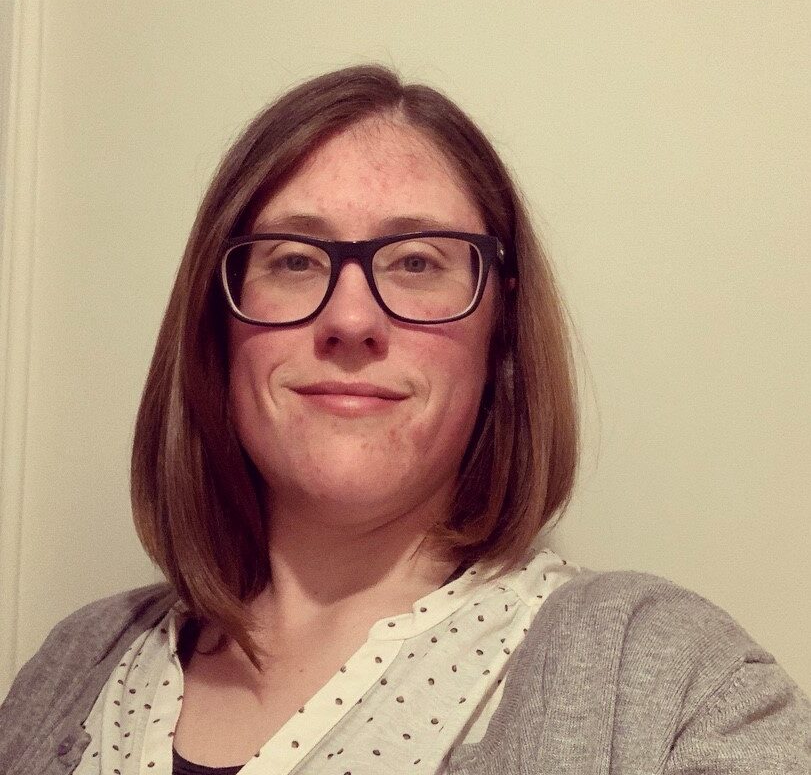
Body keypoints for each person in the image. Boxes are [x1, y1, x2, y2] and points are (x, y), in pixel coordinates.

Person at [0, 65, 808, 775]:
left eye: (418, 262)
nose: (350, 320)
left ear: (499, 331)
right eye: (292, 259)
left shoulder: (673, 682)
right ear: (218, 323)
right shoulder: (74, 664)